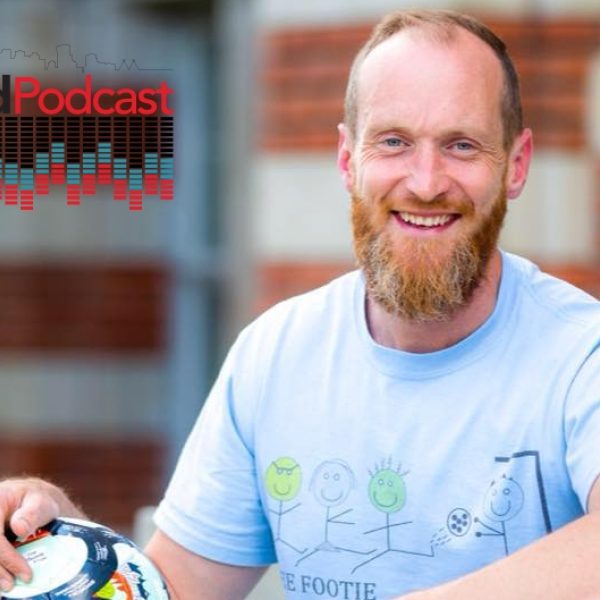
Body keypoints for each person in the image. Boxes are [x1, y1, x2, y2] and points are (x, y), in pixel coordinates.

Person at [0, 9, 599, 600]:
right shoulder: (276, 355)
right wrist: (62, 546)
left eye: (462, 146)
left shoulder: (580, 353)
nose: (425, 180)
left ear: (515, 166)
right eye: (393, 142)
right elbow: (176, 591)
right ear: (347, 159)